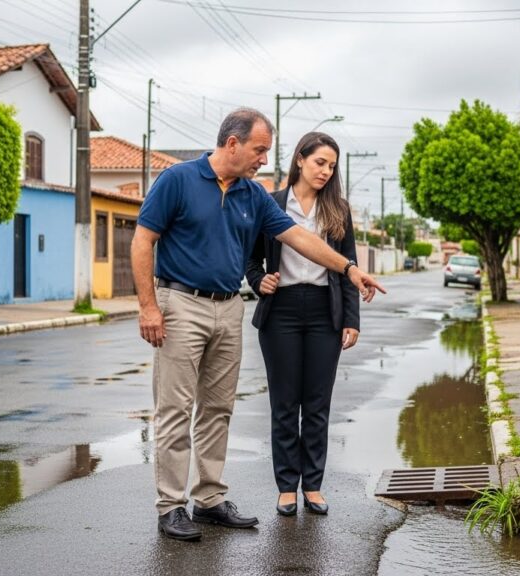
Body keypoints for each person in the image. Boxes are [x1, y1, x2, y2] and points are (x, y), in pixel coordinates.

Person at [131, 109, 384, 542]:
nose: (264, 159)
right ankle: (171, 506)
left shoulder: (253, 195)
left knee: (217, 409)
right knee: (175, 410)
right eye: (259, 149)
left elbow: (300, 238)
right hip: (181, 304)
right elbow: (142, 240)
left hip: (228, 308)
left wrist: (348, 269)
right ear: (233, 144)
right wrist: (148, 307)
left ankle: (208, 499)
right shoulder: (178, 180)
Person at [246, 132, 358, 517]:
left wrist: (351, 320)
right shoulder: (271, 203)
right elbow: (250, 259)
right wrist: (258, 280)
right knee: (283, 403)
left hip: (325, 311)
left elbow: (349, 267)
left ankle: (312, 485)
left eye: (331, 166)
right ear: (300, 160)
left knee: (316, 405)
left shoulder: (338, 210)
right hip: (281, 311)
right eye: (319, 163)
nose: (326, 171)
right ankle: (285, 488)